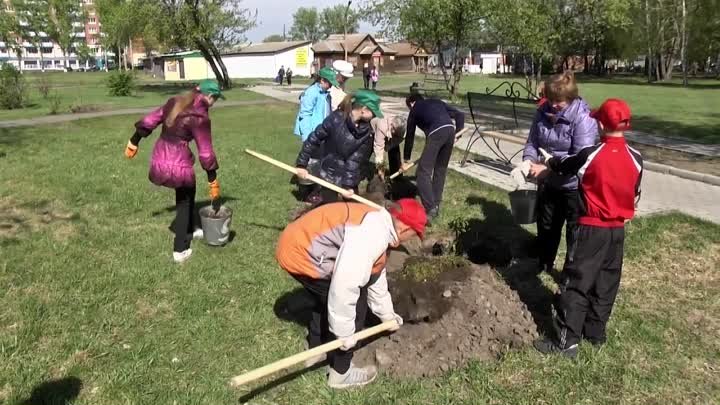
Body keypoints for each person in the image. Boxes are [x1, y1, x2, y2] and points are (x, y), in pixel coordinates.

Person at [531, 99, 643, 358]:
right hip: (617, 231)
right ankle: (595, 332)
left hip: (590, 228)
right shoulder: (636, 158)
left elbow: (564, 165)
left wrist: (549, 162)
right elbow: (635, 192)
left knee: (576, 282)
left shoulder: (591, 155)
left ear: (601, 124)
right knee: (606, 282)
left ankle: (566, 341)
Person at [276, 198, 427, 388]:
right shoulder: (372, 235)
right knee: (355, 306)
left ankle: (316, 349)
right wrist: (345, 334)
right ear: (405, 229)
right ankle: (341, 372)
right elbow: (344, 287)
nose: (410, 239)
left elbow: (375, 276)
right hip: (303, 254)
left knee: (324, 298)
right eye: (413, 235)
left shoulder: (378, 221)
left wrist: (387, 315)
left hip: (298, 244)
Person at [124, 79, 224, 263]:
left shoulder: (175, 102)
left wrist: (134, 140)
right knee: (185, 201)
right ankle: (180, 249)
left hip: (159, 158)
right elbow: (206, 152)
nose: (214, 103)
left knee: (187, 192)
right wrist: (213, 179)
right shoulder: (200, 118)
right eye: (215, 99)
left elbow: (150, 120)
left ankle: (189, 229)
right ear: (209, 96)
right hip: (177, 164)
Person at [523, 71, 598, 274]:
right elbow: (532, 142)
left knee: (574, 232)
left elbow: (580, 159)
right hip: (549, 184)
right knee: (547, 225)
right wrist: (527, 162)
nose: (553, 105)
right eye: (551, 99)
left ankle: (570, 273)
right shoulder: (542, 112)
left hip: (573, 186)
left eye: (559, 101)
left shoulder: (583, 118)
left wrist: (548, 169)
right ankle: (544, 262)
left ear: (571, 99)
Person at [296, 90, 383, 205]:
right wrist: (302, 165)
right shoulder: (335, 119)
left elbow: (354, 161)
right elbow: (313, 140)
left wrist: (348, 185)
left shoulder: (366, 132)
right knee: (328, 209)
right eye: (373, 112)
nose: (375, 116)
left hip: (348, 177)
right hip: (328, 174)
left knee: (351, 210)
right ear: (364, 109)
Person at [402, 94, 465, 221]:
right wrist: (458, 133)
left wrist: (406, 159)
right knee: (440, 170)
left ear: (412, 103)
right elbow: (460, 115)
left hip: (436, 133)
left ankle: (430, 208)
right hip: (450, 131)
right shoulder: (437, 101)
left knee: (422, 172)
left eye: (409, 107)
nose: (410, 109)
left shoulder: (414, 110)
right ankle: (436, 204)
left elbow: (410, 135)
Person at [293, 67, 338, 142]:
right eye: (329, 83)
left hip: (322, 133)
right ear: (322, 80)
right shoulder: (311, 93)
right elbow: (305, 115)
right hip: (312, 134)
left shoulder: (326, 94)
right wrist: (307, 137)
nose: (331, 86)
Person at [371, 114, 407, 178]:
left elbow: (399, 139)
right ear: (392, 125)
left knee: (395, 150)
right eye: (395, 131)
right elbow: (379, 148)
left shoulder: (401, 129)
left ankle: (397, 176)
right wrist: (381, 168)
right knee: (371, 150)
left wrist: (388, 146)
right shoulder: (382, 125)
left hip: (387, 131)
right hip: (372, 132)